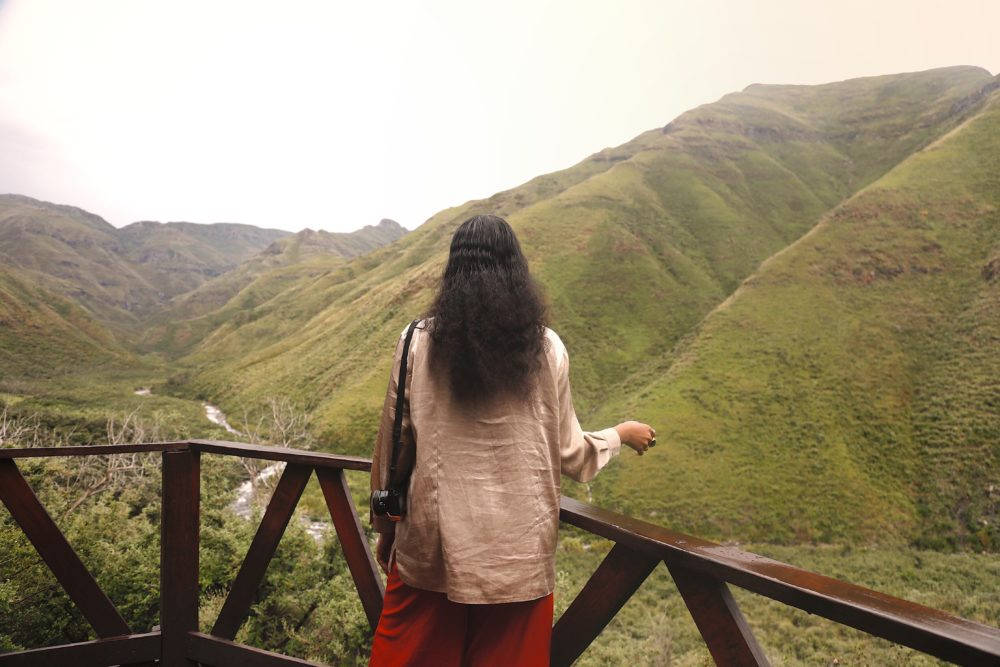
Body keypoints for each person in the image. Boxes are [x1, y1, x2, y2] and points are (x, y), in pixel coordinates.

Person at [368, 214, 656, 666]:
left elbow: (392, 451)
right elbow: (570, 454)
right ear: (516, 270)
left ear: (453, 271)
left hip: (430, 549)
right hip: (518, 559)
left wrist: (387, 528)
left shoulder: (416, 343)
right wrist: (618, 436)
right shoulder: (547, 350)